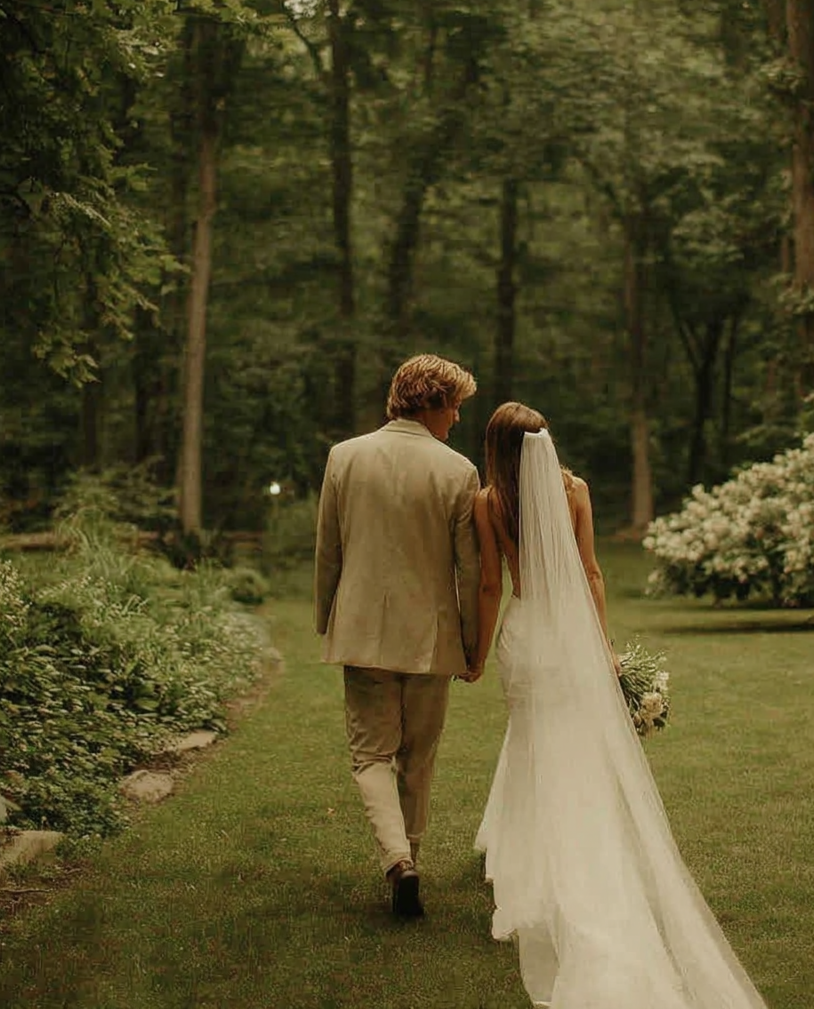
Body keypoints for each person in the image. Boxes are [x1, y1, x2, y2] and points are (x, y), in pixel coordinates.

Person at [467, 402, 769, 1009]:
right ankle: (560, 853)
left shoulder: (487, 502)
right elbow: (593, 573)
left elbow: (490, 585)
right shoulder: (574, 489)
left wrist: (475, 654)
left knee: (531, 740)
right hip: (570, 640)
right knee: (571, 748)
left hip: (525, 639)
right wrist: (601, 646)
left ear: (496, 447)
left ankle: (533, 868)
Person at [314, 354, 481, 919]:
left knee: (370, 756)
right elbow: (470, 570)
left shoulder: (344, 457)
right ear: (431, 401)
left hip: (361, 630)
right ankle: (408, 859)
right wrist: (472, 641)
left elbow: (328, 550)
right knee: (419, 759)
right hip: (431, 638)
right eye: (455, 405)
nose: (457, 418)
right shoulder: (458, 472)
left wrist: (325, 617)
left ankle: (397, 863)